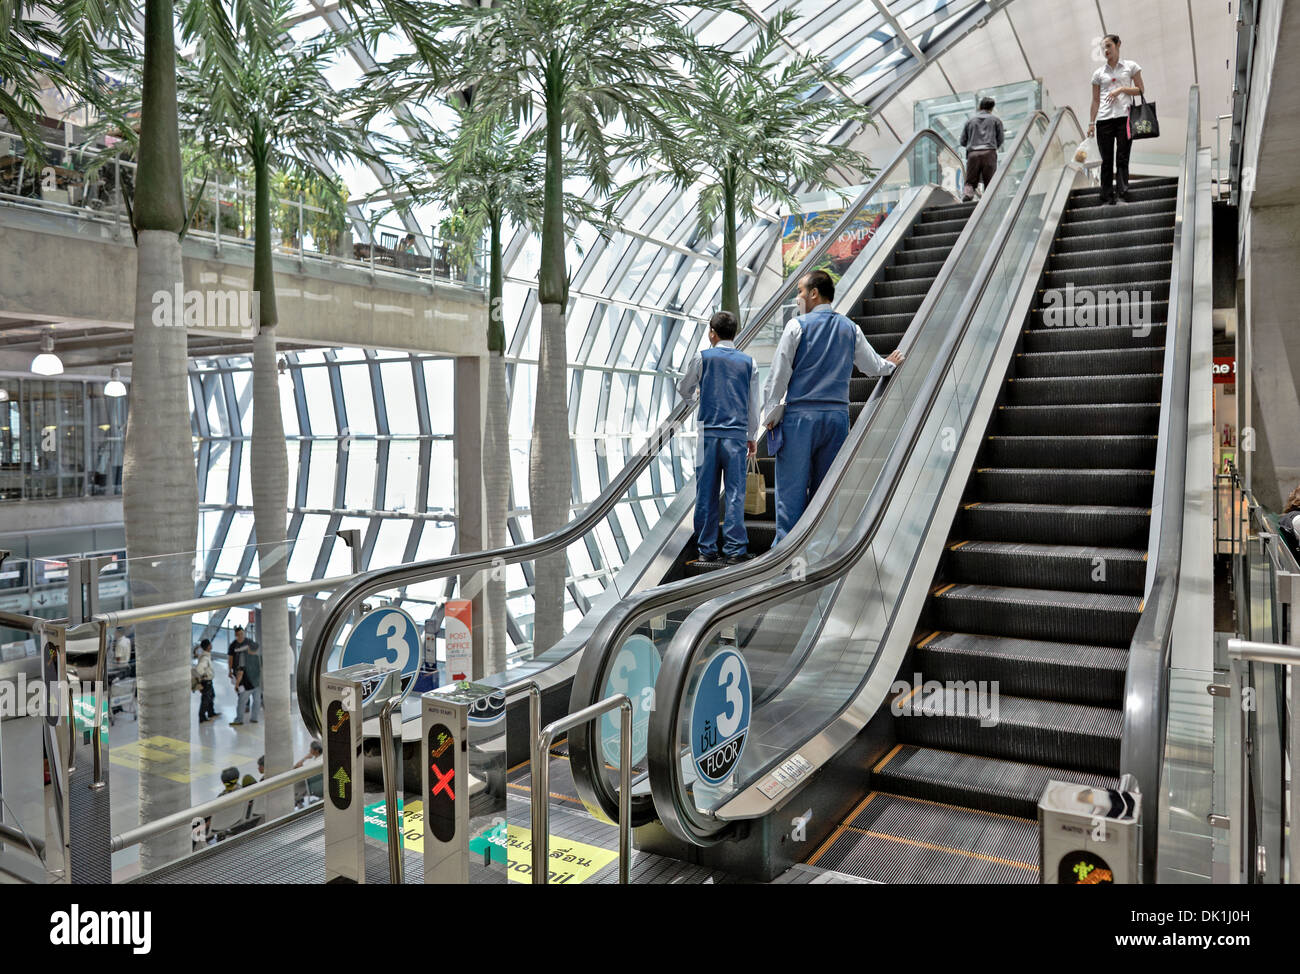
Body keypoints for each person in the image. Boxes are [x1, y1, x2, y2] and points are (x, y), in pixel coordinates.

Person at [764, 269, 904, 542]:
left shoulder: (797, 326)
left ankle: (784, 556)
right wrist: (891, 364)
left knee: (791, 492)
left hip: (800, 418)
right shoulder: (851, 328)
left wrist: (770, 414)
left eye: (800, 291)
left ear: (814, 293)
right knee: (827, 492)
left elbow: (778, 375)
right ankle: (818, 553)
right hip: (837, 419)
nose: (797, 298)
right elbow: (872, 366)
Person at [677, 310, 760, 566]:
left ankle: (706, 549)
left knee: (706, 492)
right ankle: (735, 549)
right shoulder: (749, 362)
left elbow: (683, 388)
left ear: (712, 332)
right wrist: (751, 435)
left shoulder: (702, 358)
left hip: (707, 434)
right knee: (735, 492)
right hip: (735, 436)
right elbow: (753, 405)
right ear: (734, 332)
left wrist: (696, 400)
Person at [1088, 34, 1144, 205]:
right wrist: (1091, 123)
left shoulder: (1131, 66)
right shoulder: (1098, 73)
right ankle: (1106, 195)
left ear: (1118, 44)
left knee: (1122, 157)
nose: (1106, 51)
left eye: (1109, 46)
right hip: (1104, 120)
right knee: (1106, 160)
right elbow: (1096, 100)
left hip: (1124, 118)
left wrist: (1121, 90)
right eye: (1103, 48)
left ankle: (1122, 192)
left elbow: (1141, 90)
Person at [959, 96, 1004, 201]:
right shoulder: (996, 121)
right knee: (990, 180)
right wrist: (992, 147)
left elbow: (962, 141)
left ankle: (968, 196)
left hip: (973, 154)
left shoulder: (970, 121)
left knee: (970, 180)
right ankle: (989, 200)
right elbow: (1000, 139)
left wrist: (972, 144)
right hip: (989, 153)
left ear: (980, 107)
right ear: (992, 108)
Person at [229, 625, 262, 726]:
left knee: (242, 701)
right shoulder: (258, 657)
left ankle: (239, 719)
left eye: (242, 634)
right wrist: (230, 670)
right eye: (239, 634)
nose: (241, 636)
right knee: (256, 701)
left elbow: (241, 672)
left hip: (247, 683)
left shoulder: (243, 657)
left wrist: (237, 684)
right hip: (256, 683)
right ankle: (253, 718)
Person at [195, 639, 220, 723]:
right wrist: (203, 675)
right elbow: (199, 668)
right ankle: (202, 717)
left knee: (211, 696)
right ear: (208, 646)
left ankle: (211, 712)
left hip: (208, 681)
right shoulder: (205, 658)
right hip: (206, 681)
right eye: (210, 644)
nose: (211, 645)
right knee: (206, 699)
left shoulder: (206, 655)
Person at [294, 741, 325, 805]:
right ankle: (298, 799)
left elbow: (296, 767)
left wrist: (305, 758)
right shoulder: (318, 758)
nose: (309, 750)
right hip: (315, 783)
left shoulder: (316, 762)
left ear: (316, 750)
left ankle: (298, 799)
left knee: (297, 783)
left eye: (311, 749)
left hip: (314, 785)